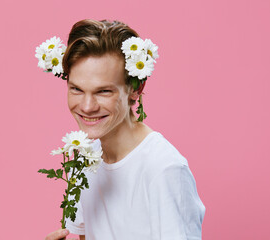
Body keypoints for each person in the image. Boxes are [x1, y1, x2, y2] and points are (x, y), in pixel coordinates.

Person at [44, 19, 205, 240]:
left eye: (103, 91)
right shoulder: (83, 158)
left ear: (135, 89)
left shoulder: (163, 169)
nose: (87, 106)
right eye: (77, 89)